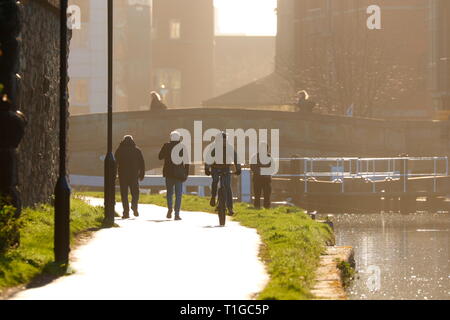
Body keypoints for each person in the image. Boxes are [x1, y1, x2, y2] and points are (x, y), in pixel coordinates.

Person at [205, 132, 241, 216]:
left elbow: (236, 158)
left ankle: (230, 208)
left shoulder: (229, 148)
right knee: (215, 180)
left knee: (228, 186)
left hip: (226, 168)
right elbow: (208, 158)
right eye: (222, 141)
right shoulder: (213, 147)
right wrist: (207, 168)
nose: (224, 142)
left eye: (225, 141)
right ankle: (213, 197)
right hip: (215, 168)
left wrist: (238, 168)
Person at [158, 131, 190, 221]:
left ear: (171, 137)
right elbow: (187, 162)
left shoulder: (166, 146)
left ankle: (169, 209)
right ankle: (177, 214)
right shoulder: (182, 147)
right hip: (179, 174)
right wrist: (186, 173)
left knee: (169, 193)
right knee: (178, 194)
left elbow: (160, 156)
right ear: (179, 138)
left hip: (168, 173)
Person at [115, 135, 145, 219]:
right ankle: (134, 206)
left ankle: (126, 212)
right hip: (134, 175)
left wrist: (114, 175)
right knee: (135, 192)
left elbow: (114, 163)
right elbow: (142, 163)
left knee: (124, 194)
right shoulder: (137, 150)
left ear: (123, 141)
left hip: (122, 175)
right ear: (132, 141)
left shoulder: (119, 150)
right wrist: (141, 174)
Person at [250, 142, 273, 209]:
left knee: (267, 195)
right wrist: (263, 172)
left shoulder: (269, 157)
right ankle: (257, 207)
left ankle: (267, 207)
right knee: (257, 195)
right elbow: (253, 167)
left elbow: (272, 167)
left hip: (266, 180)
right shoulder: (255, 157)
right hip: (258, 179)